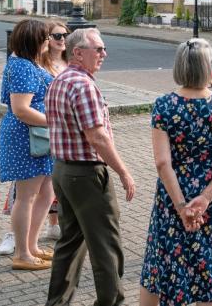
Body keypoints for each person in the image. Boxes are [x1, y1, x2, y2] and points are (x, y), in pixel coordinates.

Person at [140, 39, 212, 305]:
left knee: (158, 267)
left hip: (174, 194)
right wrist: (205, 199)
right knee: (208, 271)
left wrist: (181, 206)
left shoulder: (164, 105)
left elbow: (163, 163)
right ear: (206, 68)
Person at [46, 28, 136, 306]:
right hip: (86, 174)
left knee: (69, 243)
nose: (103, 54)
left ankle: (57, 302)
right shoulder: (83, 85)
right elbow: (97, 136)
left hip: (63, 171)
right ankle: (111, 301)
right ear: (78, 53)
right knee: (106, 245)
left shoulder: (60, 79)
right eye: (98, 49)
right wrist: (123, 171)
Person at [0, 18, 56, 271]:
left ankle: (31, 246)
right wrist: (56, 122)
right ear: (34, 40)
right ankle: (22, 254)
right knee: (27, 196)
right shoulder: (21, 66)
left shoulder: (26, 62)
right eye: (44, 38)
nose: (48, 42)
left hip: (38, 135)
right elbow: (21, 109)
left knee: (45, 193)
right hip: (28, 137)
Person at [37, 20, 71, 242]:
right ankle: (14, 232)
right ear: (47, 39)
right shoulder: (41, 64)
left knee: (58, 178)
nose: (62, 40)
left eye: (65, 35)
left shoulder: (70, 63)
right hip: (44, 126)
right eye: (57, 36)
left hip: (67, 126)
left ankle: (56, 224)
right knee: (38, 180)